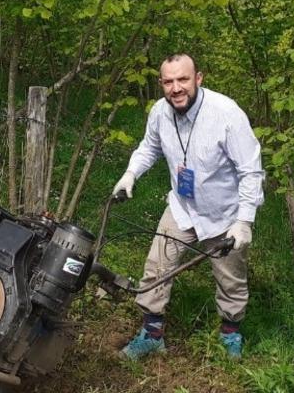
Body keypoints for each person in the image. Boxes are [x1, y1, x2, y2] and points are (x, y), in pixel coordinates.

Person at [111, 53, 265, 360]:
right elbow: (149, 147)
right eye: (168, 81)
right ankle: (152, 333)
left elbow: (251, 170)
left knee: (230, 277)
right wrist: (130, 173)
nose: (176, 88)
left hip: (225, 215)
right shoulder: (160, 112)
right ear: (161, 84)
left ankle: (230, 333)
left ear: (198, 78)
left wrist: (244, 220)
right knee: (157, 267)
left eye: (183, 79)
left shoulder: (226, 114)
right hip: (182, 208)